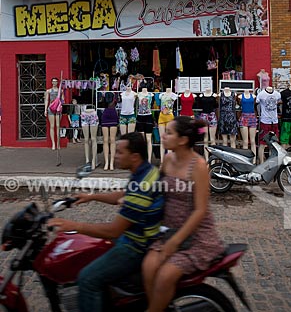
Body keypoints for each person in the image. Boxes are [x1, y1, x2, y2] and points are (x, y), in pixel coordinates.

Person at [48, 132, 164, 312]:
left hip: (135, 246)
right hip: (137, 238)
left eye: (119, 152)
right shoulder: (146, 172)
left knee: (87, 278)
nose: (115, 156)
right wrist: (92, 197)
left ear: (134, 156)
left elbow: (113, 231)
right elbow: (123, 195)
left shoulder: (143, 184)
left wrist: (74, 226)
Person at [142, 116, 223, 312]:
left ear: (182, 140)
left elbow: (200, 210)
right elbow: (157, 189)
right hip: (168, 231)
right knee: (148, 267)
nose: (163, 136)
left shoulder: (199, 166)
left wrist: (175, 241)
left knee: (165, 276)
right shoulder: (168, 159)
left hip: (194, 237)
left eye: (169, 132)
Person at [44, 77, 64, 150]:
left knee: (58, 126)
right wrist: (45, 109)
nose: (54, 83)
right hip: (51, 108)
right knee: (52, 126)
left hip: (58, 109)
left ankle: (58, 143)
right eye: (53, 81)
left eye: (55, 81)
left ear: (57, 82)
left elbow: (63, 100)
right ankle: (53, 143)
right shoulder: (48, 91)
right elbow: (46, 100)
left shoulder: (60, 91)